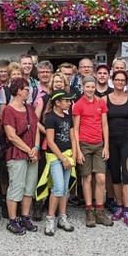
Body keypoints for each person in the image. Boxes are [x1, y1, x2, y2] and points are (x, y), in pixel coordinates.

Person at [1, 77, 40, 235]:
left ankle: (25, 216)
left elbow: (36, 128)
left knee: (29, 187)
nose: (28, 91)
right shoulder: (9, 111)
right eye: (26, 89)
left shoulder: (29, 108)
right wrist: (28, 149)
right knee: (16, 186)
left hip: (32, 153)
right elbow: (11, 136)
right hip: (16, 153)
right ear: (18, 91)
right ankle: (12, 219)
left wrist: (36, 148)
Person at [73, 76, 113, 227]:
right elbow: (75, 129)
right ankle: (89, 209)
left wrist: (106, 146)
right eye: (87, 87)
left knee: (101, 178)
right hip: (84, 143)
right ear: (83, 87)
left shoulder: (100, 102)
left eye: (92, 87)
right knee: (87, 178)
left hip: (98, 144)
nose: (90, 89)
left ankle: (100, 210)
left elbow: (105, 125)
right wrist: (78, 150)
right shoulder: (78, 105)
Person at [105, 69, 128, 226]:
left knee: (127, 174)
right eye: (117, 80)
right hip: (112, 140)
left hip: (127, 139)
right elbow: (104, 124)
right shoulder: (105, 99)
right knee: (114, 174)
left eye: (122, 80)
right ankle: (119, 206)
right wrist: (105, 145)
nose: (120, 82)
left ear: (126, 83)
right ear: (112, 81)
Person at [40, 90, 78, 236]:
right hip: (56, 157)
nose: (69, 103)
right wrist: (62, 158)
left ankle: (62, 216)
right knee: (58, 187)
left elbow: (73, 137)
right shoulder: (50, 118)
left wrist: (73, 156)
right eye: (66, 101)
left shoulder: (68, 117)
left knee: (65, 188)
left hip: (68, 156)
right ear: (57, 102)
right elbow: (50, 141)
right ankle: (50, 218)